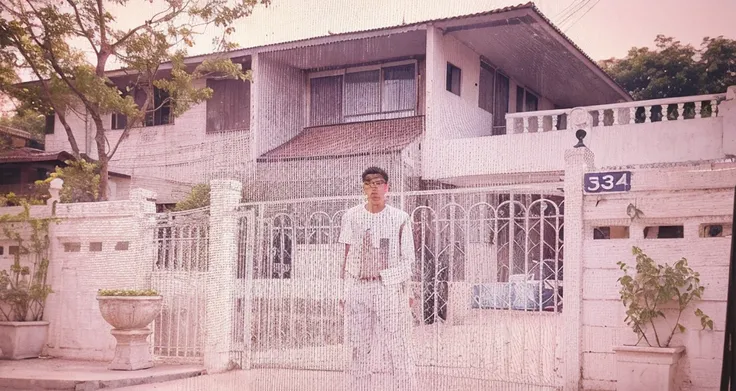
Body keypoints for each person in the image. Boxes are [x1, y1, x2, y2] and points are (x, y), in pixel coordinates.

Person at [339, 166, 417, 391]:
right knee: (359, 347)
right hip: (358, 288)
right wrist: (343, 292)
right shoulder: (351, 216)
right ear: (363, 188)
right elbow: (345, 257)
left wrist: (398, 287)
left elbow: (408, 262)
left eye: (379, 183)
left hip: (387, 289)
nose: (374, 188)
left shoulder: (400, 218)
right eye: (368, 183)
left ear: (387, 188)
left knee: (398, 345)